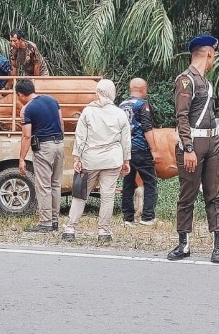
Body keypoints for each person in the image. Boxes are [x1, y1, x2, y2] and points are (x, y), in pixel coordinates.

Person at [168, 34, 219, 264]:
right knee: (188, 194)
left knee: (215, 194)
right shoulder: (186, 80)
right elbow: (181, 117)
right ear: (209, 53)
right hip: (193, 144)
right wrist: (189, 148)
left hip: (212, 143)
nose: (214, 59)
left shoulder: (207, 83)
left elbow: (212, 118)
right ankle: (183, 244)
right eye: (214, 55)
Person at [63, 80, 131, 242]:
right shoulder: (119, 113)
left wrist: (77, 158)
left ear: (98, 92)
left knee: (81, 194)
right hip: (112, 160)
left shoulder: (88, 111)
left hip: (90, 159)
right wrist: (126, 160)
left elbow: (80, 137)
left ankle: (71, 229)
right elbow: (126, 140)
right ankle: (104, 232)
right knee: (108, 196)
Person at [16, 79, 64, 232]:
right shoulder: (52, 100)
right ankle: (54, 220)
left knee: (44, 186)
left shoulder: (27, 109)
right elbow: (61, 124)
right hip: (59, 144)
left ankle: (45, 222)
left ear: (20, 94)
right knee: (56, 184)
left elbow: (26, 136)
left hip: (44, 147)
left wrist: (22, 158)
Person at [119, 78, 160, 226]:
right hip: (140, 148)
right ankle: (147, 217)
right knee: (150, 182)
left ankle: (128, 218)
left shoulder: (121, 105)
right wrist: (154, 150)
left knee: (128, 183)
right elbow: (147, 128)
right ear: (143, 89)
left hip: (125, 149)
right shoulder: (143, 105)